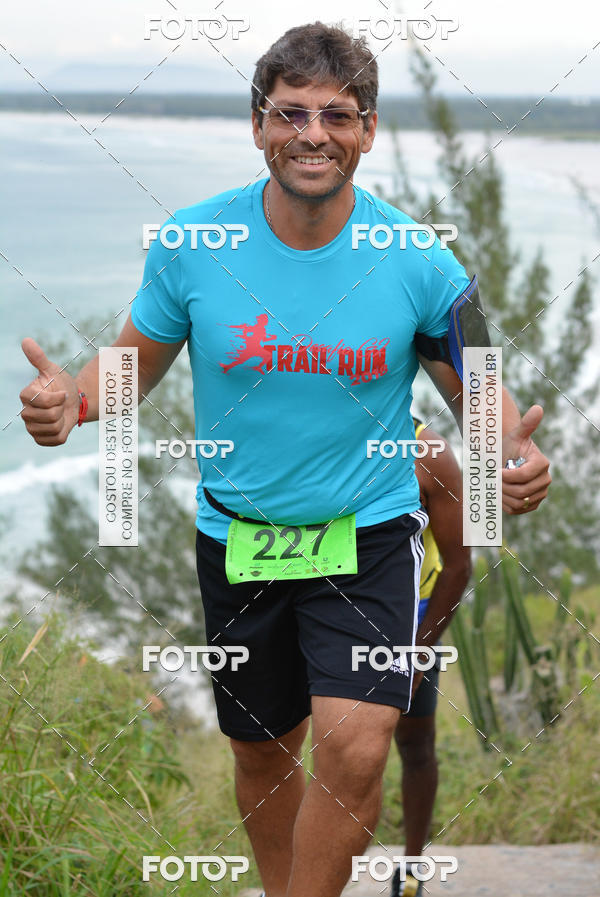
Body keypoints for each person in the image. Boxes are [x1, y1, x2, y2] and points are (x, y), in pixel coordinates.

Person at [18, 22, 551, 897]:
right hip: (238, 537)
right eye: (291, 114)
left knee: (358, 742)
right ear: (259, 125)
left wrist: (514, 460)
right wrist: (63, 406)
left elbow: (483, 393)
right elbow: (120, 376)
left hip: (371, 533)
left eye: (336, 116)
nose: (313, 134)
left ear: (369, 130)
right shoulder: (193, 245)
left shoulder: (423, 260)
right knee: (263, 757)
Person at [390, 417, 471, 897]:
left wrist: (419, 651)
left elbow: (460, 564)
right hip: (329, 615)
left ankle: (412, 870)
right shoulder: (319, 434)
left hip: (411, 621)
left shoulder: (429, 451)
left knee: (415, 746)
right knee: (339, 749)